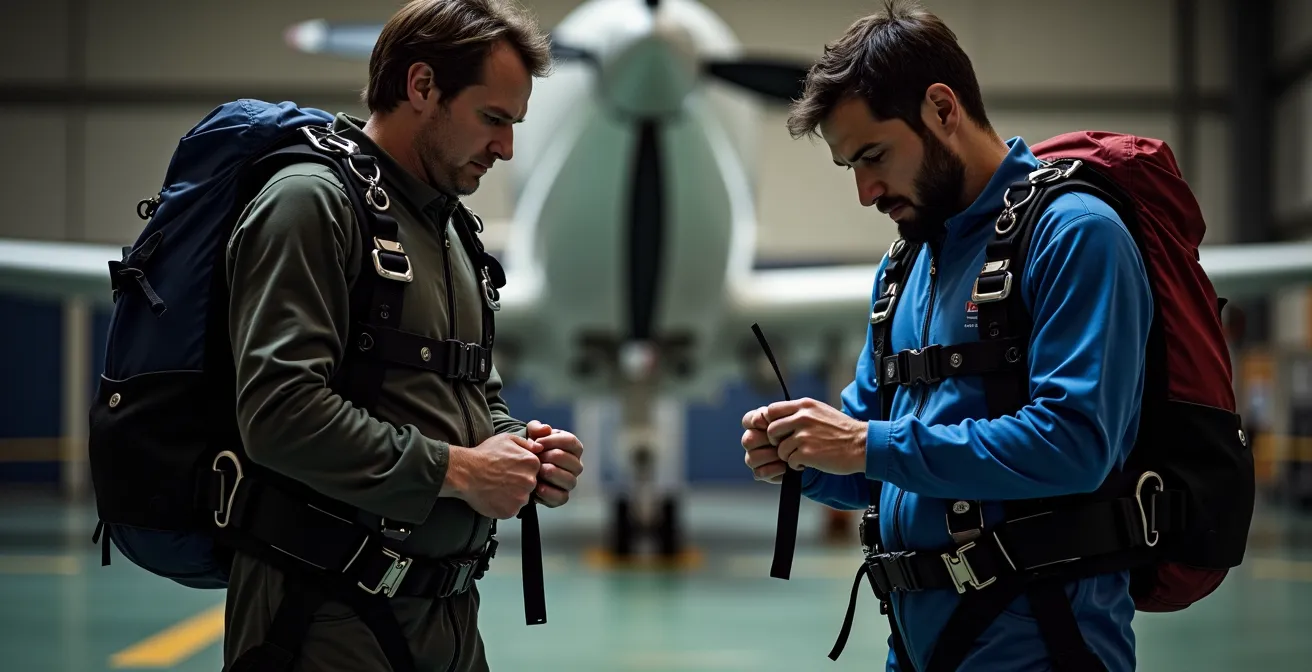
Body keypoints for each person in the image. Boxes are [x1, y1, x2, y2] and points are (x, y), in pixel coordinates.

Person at [741, 1, 1152, 670]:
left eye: (873, 155)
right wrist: (805, 458)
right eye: (850, 167)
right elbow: (876, 462)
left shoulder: (1074, 235)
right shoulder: (905, 268)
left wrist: (864, 445)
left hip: (1044, 650)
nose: (865, 192)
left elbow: (1077, 444)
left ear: (941, 108)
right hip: (915, 650)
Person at [221, 1, 585, 670]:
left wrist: (518, 453)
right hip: (323, 620)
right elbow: (278, 415)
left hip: (445, 620)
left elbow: (478, 396)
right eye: (493, 119)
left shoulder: (452, 233)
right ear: (422, 87)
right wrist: (460, 471)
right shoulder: (311, 203)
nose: (506, 149)